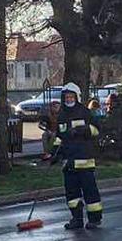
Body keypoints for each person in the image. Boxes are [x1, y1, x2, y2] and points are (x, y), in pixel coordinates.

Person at [45, 83, 103, 230]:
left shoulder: (85, 112)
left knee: (90, 192)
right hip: (69, 162)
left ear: (76, 97)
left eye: (71, 97)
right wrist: (54, 153)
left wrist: (83, 130)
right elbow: (60, 137)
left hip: (84, 160)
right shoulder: (62, 115)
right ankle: (76, 219)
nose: (69, 99)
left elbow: (97, 129)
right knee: (72, 194)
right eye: (66, 97)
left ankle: (94, 219)